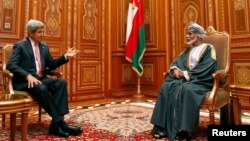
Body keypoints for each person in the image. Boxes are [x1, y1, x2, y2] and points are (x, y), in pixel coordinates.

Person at [6, 19, 83, 138]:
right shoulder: (20, 45)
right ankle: (60, 123)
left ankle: (54, 126)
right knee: (41, 88)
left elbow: (51, 64)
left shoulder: (44, 46)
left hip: (41, 78)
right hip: (25, 81)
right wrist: (27, 75)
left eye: (43, 31)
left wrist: (65, 56)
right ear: (30, 33)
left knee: (61, 83)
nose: (43, 34)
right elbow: (11, 65)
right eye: (39, 32)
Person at [150, 23, 218, 141]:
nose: (186, 36)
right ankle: (162, 127)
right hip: (186, 80)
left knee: (186, 90)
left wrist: (186, 74)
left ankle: (186, 130)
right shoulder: (188, 50)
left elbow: (208, 66)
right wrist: (175, 69)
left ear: (198, 35)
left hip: (200, 81)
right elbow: (176, 62)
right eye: (187, 33)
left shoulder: (208, 48)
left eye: (190, 33)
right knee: (166, 87)